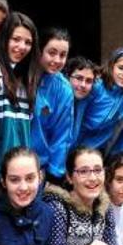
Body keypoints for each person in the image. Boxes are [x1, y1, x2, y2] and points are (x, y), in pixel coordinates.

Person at [0, 12, 40, 177]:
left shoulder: (26, 83)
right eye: (16, 39)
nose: (22, 47)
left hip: (20, 173)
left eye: (28, 42)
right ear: (4, 38)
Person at [30, 28, 75, 183]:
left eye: (63, 55)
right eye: (52, 52)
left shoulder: (63, 89)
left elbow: (62, 135)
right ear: (40, 50)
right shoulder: (22, 77)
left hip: (39, 168)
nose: (57, 60)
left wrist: (54, 174)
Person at [76, 48, 123, 154]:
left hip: (99, 152)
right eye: (121, 68)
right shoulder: (96, 87)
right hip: (76, 146)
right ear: (111, 67)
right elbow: (77, 118)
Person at [64, 56, 100, 147]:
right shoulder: (57, 100)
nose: (83, 85)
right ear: (67, 77)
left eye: (89, 81)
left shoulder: (85, 102)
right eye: (79, 78)